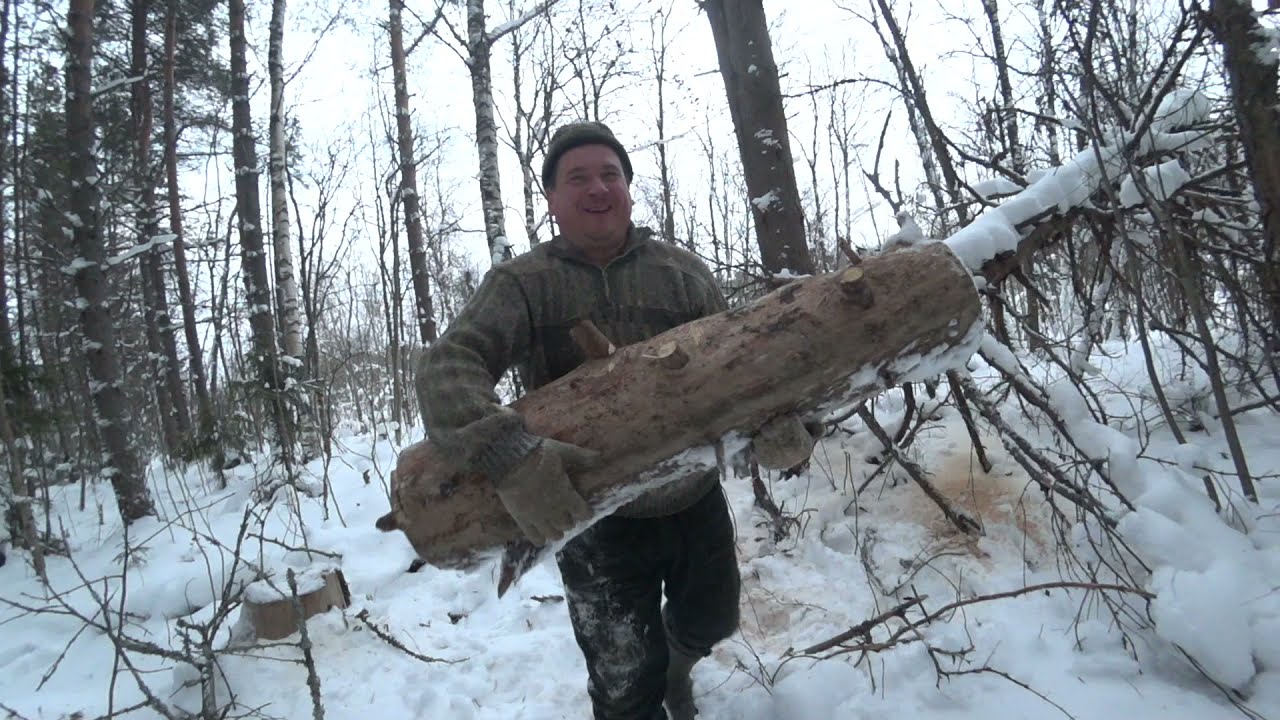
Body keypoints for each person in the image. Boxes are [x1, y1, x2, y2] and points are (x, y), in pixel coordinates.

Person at [415, 121, 814, 720]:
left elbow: (741, 369)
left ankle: (676, 671)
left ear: (628, 187)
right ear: (552, 198)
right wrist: (509, 456)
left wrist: (781, 430)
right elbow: (447, 366)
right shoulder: (522, 285)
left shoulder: (682, 273)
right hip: (593, 516)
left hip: (693, 495)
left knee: (711, 620)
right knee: (624, 680)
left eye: (610, 174)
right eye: (578, 177)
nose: (598, 188)